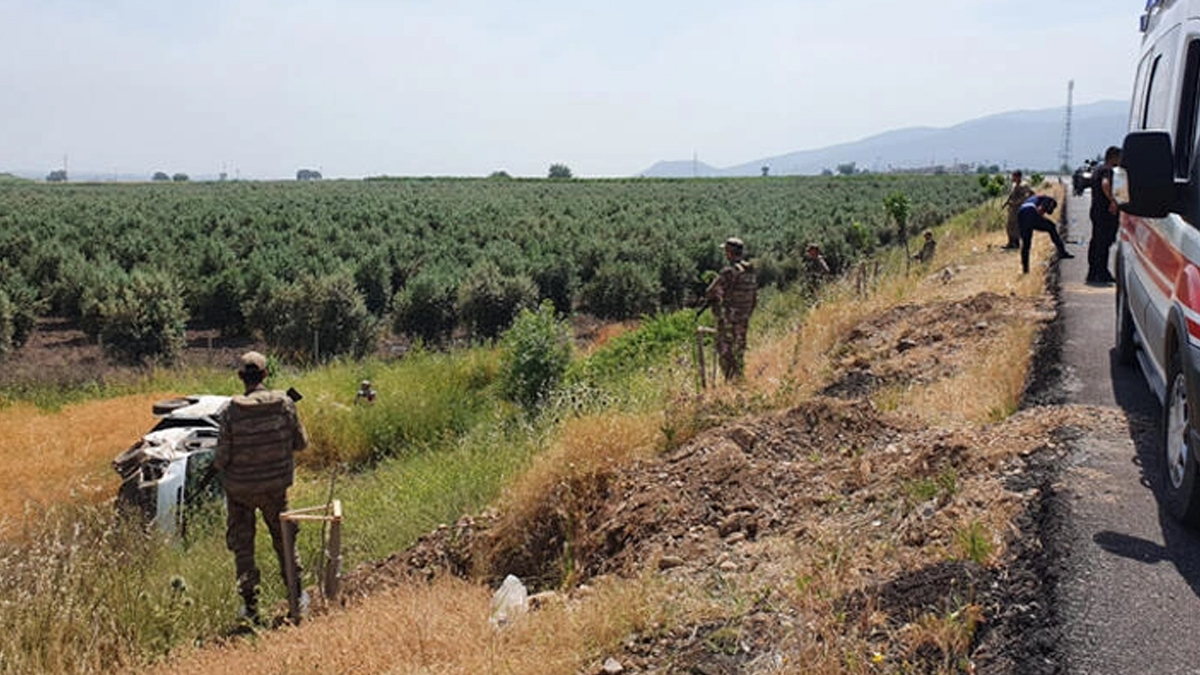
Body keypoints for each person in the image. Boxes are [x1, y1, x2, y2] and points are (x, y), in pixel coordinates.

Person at [214, 351, 309, 624]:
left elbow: (221, 459)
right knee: (285, 542)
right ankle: (297, 599)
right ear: (266, 374)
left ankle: (251, 609)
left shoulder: (231, 411)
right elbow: (301, 443)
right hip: (275, 491)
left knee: (244, 548)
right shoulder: (285, 404)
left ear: (240, 377)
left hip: (240, 493)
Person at [705, 237, 758, 382]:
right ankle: (740, 382)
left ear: (729, 253)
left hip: (729, 319)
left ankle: (732, 385)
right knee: (738, 352)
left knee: (725, 354)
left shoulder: (729, 271)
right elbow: (754, 296)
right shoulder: (750, 271)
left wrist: (716, 301)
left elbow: (710, 291)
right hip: (743, 319)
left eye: (726, 251)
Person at [1087, 146, 1122, 284]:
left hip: (1096, 210)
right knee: (1104, 243)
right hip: (1105, 212)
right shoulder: (1108, 170)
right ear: (1113, 157)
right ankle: (1101, 272)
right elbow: (1105, 184)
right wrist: (1113, 200)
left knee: (1096, 241)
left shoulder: (1097, 170)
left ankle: (1093, 272)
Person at [1018, 195, 1074, 274]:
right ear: (1052, 204)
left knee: (1026, 244)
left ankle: (1025, 269)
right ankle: (1062, 252)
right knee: (1051, 227)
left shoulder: (1034, 199)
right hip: (1030, 212)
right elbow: (1040, 210)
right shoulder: (1048, 200)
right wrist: (1043, 218)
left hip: (1021, 214)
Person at [1002, 171, 1035, 249]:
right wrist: (1006, 203)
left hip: (1019, 209)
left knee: (1016, 226)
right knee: (1009, 226)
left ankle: (1016, 243)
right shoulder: (1014, 185)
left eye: (1014, 176)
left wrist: (1016, 202)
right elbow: (1011, 196)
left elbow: (1029, 194)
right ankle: (1010, 242)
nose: (1012, 178)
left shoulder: (1024, 185)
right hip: (1012, 209)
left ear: (1018, 177)